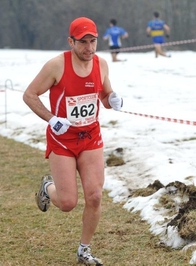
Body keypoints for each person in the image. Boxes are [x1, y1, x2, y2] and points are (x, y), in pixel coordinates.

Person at [23, 17, 123, 265]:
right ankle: (48, 189)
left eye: (93, 41)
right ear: (71, 42)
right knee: (68, 203)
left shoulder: (101, 64)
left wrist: (113, 100)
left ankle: (84, 251)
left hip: (90, 138)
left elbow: (104, 96)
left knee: (95, 196)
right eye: (83, 43)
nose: (89, 48)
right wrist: (51, 119)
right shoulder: (56, 65)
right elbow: (30, 95)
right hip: (63, 141)